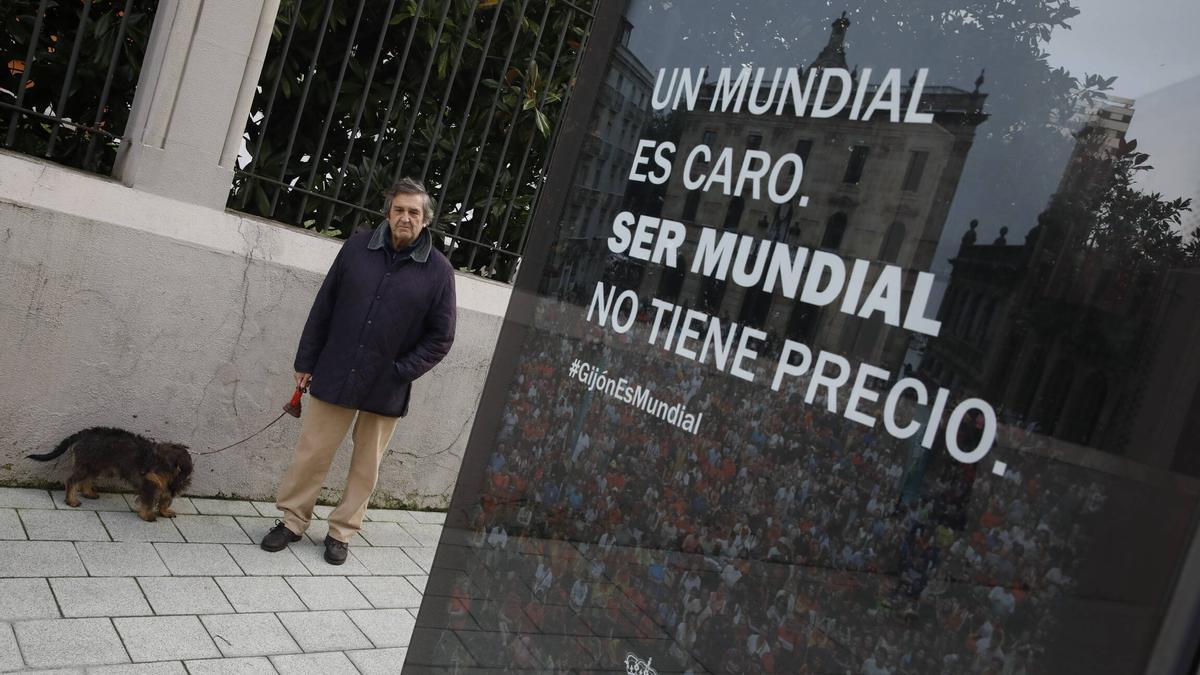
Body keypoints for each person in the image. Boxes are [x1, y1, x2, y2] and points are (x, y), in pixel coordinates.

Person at [260, 177, 456, 564]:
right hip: (336, 369)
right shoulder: (355, 249)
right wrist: (306, 361)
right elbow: (324, 306)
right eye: (399, 209)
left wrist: (401, 370)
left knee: (367, 464)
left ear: (426, 220)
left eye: (414, 212)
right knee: (313, 451)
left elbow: (441, 337)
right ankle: (292, 521)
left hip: (387, 384)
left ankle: (342, 532)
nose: (405, 217)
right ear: (388, 212)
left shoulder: (438, 272)